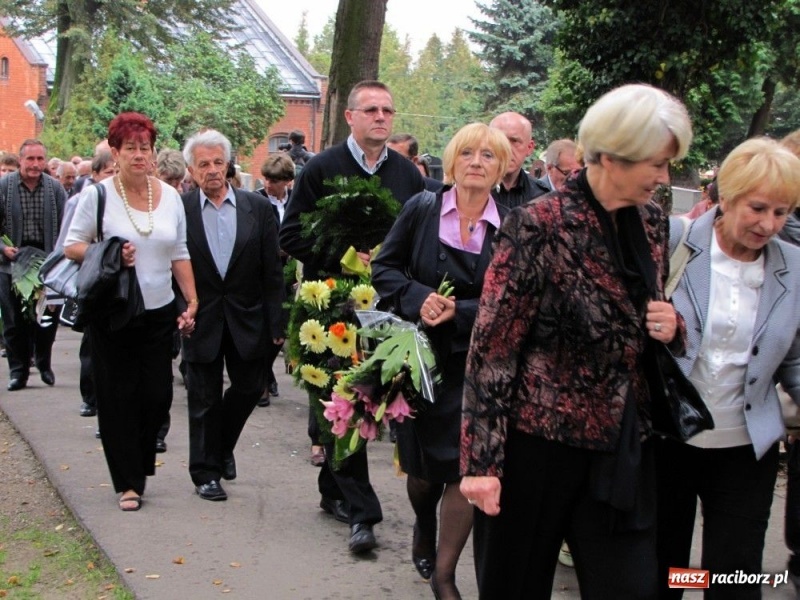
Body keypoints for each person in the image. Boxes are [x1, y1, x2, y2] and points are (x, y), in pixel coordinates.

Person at [460, 83, 693, 599]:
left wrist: (671, 329)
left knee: (631, 586)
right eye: (655, 163)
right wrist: (481, 465)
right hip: (537, 448)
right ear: (609, 156)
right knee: (515, 586)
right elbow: (492, 350)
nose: (663, 177)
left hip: (621, 445)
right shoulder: (537, 224)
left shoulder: (652, 221)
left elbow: (644, 326)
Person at [280, 80, 424, 554]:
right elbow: (291, 235)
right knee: (346, 402)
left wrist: (388, 263)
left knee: (364, 403)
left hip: (387, 310)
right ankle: (364, 514)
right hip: (332, 309)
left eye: (388, 109)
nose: (381, 117)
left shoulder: (408, 175)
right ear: (350, 116)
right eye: (371, 109)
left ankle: (333, 491)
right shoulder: (321, 168)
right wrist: (345, 258)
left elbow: (420, 242)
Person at [372, 122, 512, 600]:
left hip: (480, 368)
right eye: (468, 153)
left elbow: (515, 298)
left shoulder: (512, 224)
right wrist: (420, 297)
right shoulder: (422, 209)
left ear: (501, 168)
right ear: (451, 162)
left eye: (488, 155)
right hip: (423, 362)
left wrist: (463, 311)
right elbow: (383, 268)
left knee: (465, 467)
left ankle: (445, 575)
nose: (477, 162)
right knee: (425, 471)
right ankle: (421, 522)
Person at [656, 137, 800, 599]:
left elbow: (793, 357)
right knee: (664, 571)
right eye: (758, 208)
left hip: (745, 447)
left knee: (734, 576)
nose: (768, 224)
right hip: (668, 439)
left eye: (782, 212)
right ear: (727, 196)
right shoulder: (674, 242)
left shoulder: (794, 267)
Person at [64, 112, 197, 512]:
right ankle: (128, 482)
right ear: (116, 152)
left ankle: (138, 465)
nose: (140, 155)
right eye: (131, 148)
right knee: (117, 397)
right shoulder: (98, 195)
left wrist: (192, 299)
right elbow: (72, 245)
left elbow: (179, 251)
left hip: (158, 311)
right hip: (115, 311)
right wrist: (109, 252)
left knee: (156, 397)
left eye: (146, 148)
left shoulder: (170, 197)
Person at [181, 129, 285, 502]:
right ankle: (205, 472)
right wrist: (181, 310)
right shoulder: (181, 211)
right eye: (203, 164)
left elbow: (271, 271)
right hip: (201, 317)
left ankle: (221, 446)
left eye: (218, 163)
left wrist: (277, 323)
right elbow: (172, 267)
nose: (211, 170)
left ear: (229, 165)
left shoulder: (256, 208)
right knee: (203, 397)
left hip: (247, 317)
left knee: (247, 388)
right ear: (191, 170)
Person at [0, 139, 68, 391]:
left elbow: (66, 226)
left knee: (47, 316)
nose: (35, 164)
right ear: (20, 160)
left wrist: (59, 255)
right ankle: (18, 372)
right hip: (11, 260)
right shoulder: (4, 187)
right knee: (14, 320)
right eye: (30, 159)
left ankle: (44, 362)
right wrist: (3, 248)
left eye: (40, 159)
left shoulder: (55, 189)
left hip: (46, 262)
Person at [55, 150, 116, 420]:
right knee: (92, 344)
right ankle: (90, 397)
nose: (113, 177)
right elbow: (66, 245)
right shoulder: (83, 200)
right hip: (93, 282)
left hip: (125, 290)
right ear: (95, 175)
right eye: (108, 172)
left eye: (116, 172)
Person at [256, 153, 295, 408]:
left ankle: (267, 373)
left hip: (292, 272)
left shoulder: (296, 201)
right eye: (267, 179)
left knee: (284, 328)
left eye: (275, 180)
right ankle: (262, 381)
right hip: (263, 274)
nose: (269, 184)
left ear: (287, 181)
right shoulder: (256, 200)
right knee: (266, 329)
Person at [488, 111, 548, 209]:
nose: (506, 149)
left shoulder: (541, 196)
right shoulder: (469, 190)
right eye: (500, 140)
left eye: (514, 141)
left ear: (529, 147)